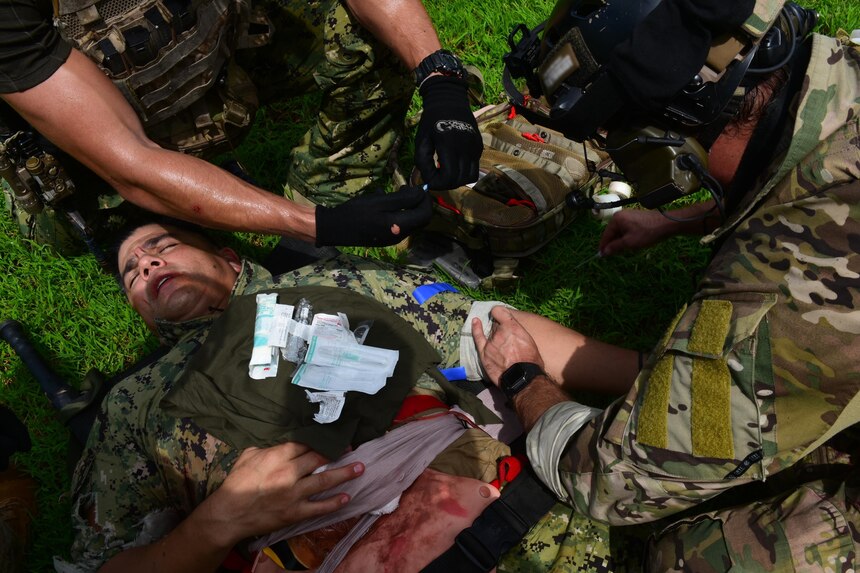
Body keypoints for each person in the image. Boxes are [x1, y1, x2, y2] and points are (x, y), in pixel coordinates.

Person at [474, 0, 860, 568]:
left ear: (667, 139)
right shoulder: (842, 73)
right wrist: (690, 218)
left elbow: (612, 480)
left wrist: (524, 379)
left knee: (688, 556)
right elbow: (809, 181)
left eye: (611, 134)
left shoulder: (783, 285)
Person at [54, 217, 631, 572]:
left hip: (493, 506)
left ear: (230, 260)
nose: (148, 262)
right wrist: (218, 523)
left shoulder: (332, 283)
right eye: (133, 272)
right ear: (146, 320)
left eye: (163, 245)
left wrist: (655, 378)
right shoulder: (133, 406)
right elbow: (106, 564)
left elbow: (489, 331)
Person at [0, 0, 483, 254]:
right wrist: (316, 228)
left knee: (363, 38)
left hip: (213, 47)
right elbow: (130, 161)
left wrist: (440, 80)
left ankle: (329, 188)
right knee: (92, 227)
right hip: (92, 126)